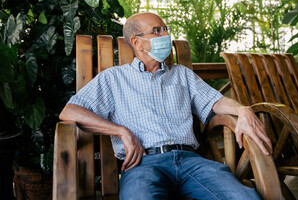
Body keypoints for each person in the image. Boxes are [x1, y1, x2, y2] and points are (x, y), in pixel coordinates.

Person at [59, 12, 273, 200]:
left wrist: (242, 110)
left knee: (244, 196)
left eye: (166, 29)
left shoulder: (182, 74)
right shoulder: (114, 79)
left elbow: (214, 101)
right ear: (137, 42)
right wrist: (120, 131)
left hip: (192, 163)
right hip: (144, 165)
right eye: (157, 31)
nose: (166, 36)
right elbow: (70, 112)